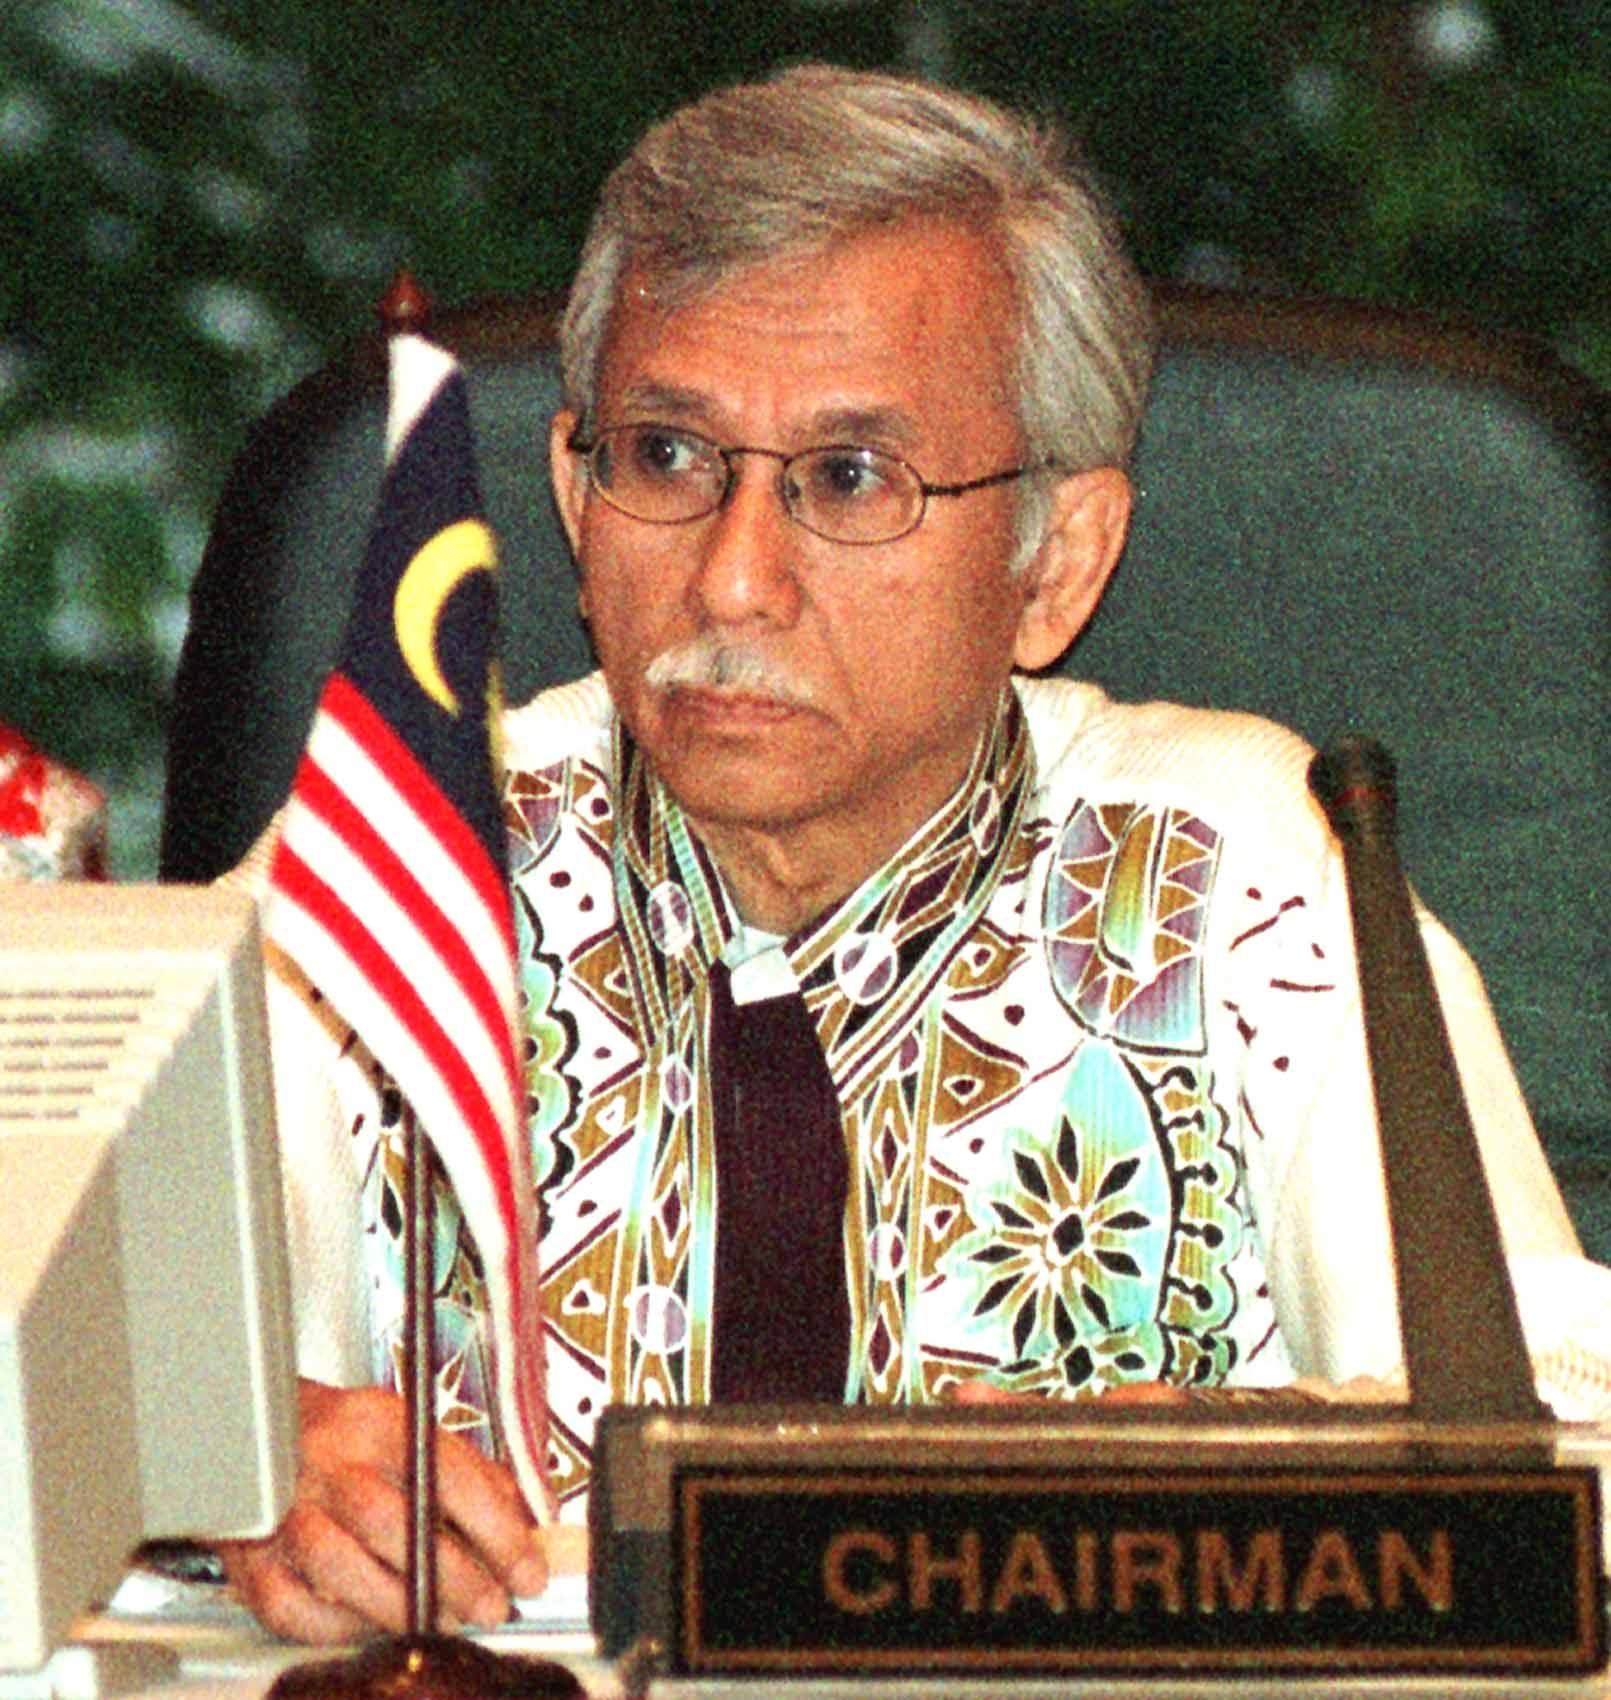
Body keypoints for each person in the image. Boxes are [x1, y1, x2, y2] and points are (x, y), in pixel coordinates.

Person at [220, 63, 1608, 1643]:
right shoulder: (403, 862)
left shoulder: (1244, 880)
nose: (735, 583)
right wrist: (257, 1454)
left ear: (1055, 562)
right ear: (570, 492)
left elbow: (1561, 1408)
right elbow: (92, 1366)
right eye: (668, 457)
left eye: (850, 480)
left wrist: (1231, 1478)